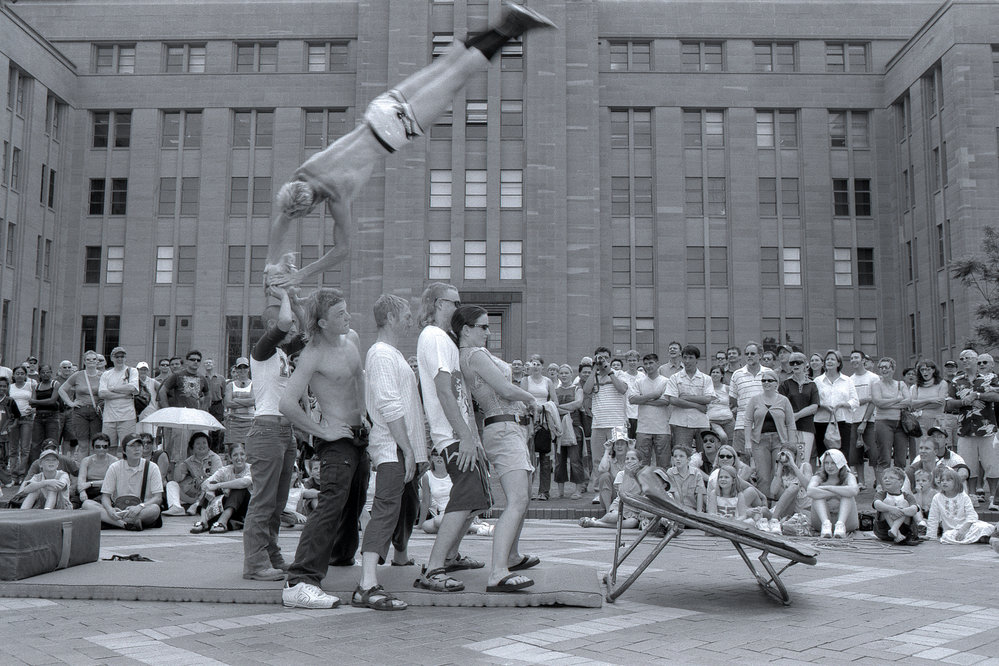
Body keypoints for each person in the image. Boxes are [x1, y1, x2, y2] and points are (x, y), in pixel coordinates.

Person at [265, 3, 557, 288]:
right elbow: (282, 220)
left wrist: (302, 274)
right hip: (379, 109)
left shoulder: (335, 196)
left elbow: (342, 250)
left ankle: (512, 27)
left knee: (457, 77)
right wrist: (270, 263)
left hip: (394, 129)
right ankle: (504, 21)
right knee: (447, 63)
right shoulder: (303, 172)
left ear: (310, 207)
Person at [280, 288, 370, 610]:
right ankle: (300, 580)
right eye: (340, 315)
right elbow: (287, 403)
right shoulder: (313, 354)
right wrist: (323, 431)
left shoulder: (353, 339)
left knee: (354, 500)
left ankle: (341, 555)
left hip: (360, 434)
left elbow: (359, 380)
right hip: (336, 440)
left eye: (347, 311)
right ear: (321, 322)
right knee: (331, 503)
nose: (348, 318)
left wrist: (368, 415)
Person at [457, 304, 543, 593]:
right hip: (503, 427)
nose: (488, 331)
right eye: (482, 326)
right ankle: (498, 571)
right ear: (466, 329)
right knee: (518, 499)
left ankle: (512, 557)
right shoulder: (474, 354)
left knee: (523, 497)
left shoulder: (470, 354)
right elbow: (505, 391)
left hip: (506, 427)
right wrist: (534, 399)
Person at [414, 282, 491, 594]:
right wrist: (464, 436)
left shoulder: (445, 339)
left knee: (478, 499)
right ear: (436, 304)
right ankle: (433, 568)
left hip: (461, 432)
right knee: (465, 497)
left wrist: (473, 435)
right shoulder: (432, 336)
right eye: (454, 302)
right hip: (451, 435)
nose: (459, 308)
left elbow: (460, 395)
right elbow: (444, 391)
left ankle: (451, 556)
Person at [354, 294, 427, 610]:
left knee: (409, 505)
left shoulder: (392, 354)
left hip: (406, 449)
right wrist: (407, 450)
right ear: (392, 317)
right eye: (407, 314)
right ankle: (366, 584)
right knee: (385, 509)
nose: (411, 319)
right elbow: (388, 404)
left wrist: (417, 452)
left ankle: (400, 554)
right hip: (392, 447)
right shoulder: (381, 354)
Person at [242, 286, 309, 582]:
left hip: (284, 432)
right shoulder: (262, 350)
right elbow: (285, 323)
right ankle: (255, 564)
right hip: (267, 432)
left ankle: (271, 554)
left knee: (277, 504)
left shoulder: (282, 351)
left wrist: (292, 298)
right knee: (263, 502)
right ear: (271, 325)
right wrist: (282, 296)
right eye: (287, 321)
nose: (292, 326)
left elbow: (307, 332)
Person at [944, 349, 999, 509]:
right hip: (965, 429)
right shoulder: (957, 381)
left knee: (992, 465)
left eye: (968, 358)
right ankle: (972, 496)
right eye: (962, 358)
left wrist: (977, 396)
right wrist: (965, 402)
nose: (965, 361)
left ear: (976, 359)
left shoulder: (990, 378)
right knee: (968, 466)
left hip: (986, 429)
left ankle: (994, 499)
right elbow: (947, 403)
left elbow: (997, 396)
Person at [82, 432, 163, 530]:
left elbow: (158, 498)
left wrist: (140, 506)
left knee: (155, 509)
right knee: (87, 504)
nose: (137, 449)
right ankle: (124, 524)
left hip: (141, 510)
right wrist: (110, 509)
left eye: (139, 445)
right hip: (118, 509)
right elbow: (105, 496)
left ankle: (111, 522)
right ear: (124, 450)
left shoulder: (152, 467)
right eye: (132, 446)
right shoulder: (115, 467)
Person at [746, 368, 797, 497]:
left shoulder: (784, 400)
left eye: (770, 380)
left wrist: (791, 445)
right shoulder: (754, 400)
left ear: (776, 383)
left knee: (778, 473)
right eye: (763, 380)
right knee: (762, 476)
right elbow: (748, 421)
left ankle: (778, 506)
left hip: (780, 441)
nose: (766, 383)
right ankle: (765, 505)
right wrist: (748, 442)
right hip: (760, 441)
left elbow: (790, 424)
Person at [583, 346, 628, 490]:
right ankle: (599, 489)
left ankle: (620, 487)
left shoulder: (620, 374)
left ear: (609, 358)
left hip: (617, 423)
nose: (602, 360)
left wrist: (610, 371)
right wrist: (594, 369)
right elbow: (586, 390)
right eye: (599, 358)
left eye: (605, 358)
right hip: (598, 424)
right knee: (598, 459)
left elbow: (622, 389)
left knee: (619, 457)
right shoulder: (594, 375)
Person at [157, 350, 211, 463]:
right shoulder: (177, 376)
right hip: (180, 417)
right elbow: (162, 391)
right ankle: (175, 476)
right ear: (187, 361)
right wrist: (168, 410)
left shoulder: (202, 378)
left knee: (197, 449)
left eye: (198, 360)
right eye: (192, 359)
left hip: (196, 417)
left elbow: (208, 395)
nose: (195, 362)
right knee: (178, 451)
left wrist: (203, 410)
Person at [190, 442, 253, 534]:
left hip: (246, 507)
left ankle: (222, 522)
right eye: (235, 455)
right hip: (228, 506)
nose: (239, 458)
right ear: (230, 458)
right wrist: (211, 489)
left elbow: (244, 482)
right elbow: (206, 483)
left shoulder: (251, 469)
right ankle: (203, 521)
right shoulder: (225, 470)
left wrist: (221, 485)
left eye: (242, 454)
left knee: (238, 488)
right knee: (211, 486)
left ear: (246, 456)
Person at [664, 345, 714, 453]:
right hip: (681, 423)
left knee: (705, 455)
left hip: (701, 422)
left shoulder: (706, 379)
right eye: (685, 358)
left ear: (697, 359)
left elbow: (708, 399)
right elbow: (673, 400)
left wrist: (686, 397)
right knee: (682, 454)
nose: (687, 361)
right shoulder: (675, 378)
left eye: (690, 358)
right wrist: (697, 405)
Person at [925, 467, 995, 544]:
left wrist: (964, 529)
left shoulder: (963, 496)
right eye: (942, 480)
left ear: (956, 482)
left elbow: (972, 515)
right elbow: (933, 517)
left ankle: (982, 538)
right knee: (946, 536)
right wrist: (931, 536)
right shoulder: (937, 498)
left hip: (967, 527)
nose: (944, 482)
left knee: (984, 527)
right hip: (951, 530)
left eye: (948, 480)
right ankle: (979, 539)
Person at [871, 357, 911, 488]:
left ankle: (900, 486)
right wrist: (897, 399)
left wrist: (889, 403)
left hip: (901, 424)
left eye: (886, 367)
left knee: (901, 458)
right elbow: (878, 403)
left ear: (893, 369)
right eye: (881, 367)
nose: (883, 370)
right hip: (883, 423)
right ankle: (882, 486)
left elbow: (908, 401)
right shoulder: (876, 384)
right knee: (885, 458)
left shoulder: (901, 384)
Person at [521, 354, 557, 500]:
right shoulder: (525, 380)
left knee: (545, 458)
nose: (535, 366)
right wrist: (531, 408)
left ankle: (544, 491)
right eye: (533, 364)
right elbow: (522, 399)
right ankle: (527, 490)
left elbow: (554, 401)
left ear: (542, 367)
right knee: (529, 457)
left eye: (538, 364)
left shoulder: (548, 381)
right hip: (529, 420)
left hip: (544, 421)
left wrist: (544, 407)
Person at [579, 447, 642, 529]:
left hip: (634, 509)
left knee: (632, 523)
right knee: (615, 516)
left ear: (640, 463)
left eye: (633, 459)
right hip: (621, 505)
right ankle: (598, 521)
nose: (629, 461)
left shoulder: (643, 476)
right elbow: (623, 494)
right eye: (627, 459)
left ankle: (597, 523)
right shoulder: (621, 474)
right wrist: (627, 474)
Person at [813, 350, 858, 463]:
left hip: (842, 421)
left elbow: (855, 401)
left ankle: (842, 478)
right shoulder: (817, 381)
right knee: (823, 454)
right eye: (827, 359)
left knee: (842, 454)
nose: (829, 361)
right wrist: (823, 406)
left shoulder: (847, 380)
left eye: (833, 359)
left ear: (839, 363)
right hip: (821, 421)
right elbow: (813, 401)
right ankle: (825, 479)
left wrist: (843, 404)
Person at [630, 353, 671, 468]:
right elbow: (632, 400)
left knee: (663, 464)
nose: (648, 366)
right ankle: (643, 486)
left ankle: (663, 486)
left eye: (651, 363)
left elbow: (666, 401)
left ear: (657, 364)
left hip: (662, 429)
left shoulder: (666, 381)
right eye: (646, 364)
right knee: (642, 464)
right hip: (643, 428)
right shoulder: (639, 381)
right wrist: (654, 395)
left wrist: (643, 400)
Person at [807, 449, 859, 538]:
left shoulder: (849, 476)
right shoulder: (818, 477)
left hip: (846, 522)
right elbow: (810, 491)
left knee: (847, 495)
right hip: (822, 521)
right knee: (817, 496)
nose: (829, 466)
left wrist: (828, 488)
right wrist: (837, 492)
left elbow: (854, 490)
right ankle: (826, 524)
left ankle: (840, 525)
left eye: (833, 463)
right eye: (826, 463)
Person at [728, 341, 769, 456]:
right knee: (742, 464)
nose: (749, 356)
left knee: (763, 462)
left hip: (764, 425)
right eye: (747, 354)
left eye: (752, 353)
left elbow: (773, 398)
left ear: (760, 355)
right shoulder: (737, 374)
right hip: (742, 424)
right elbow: (733, 400)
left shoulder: (769, 373)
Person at [166, 432, 223, 513]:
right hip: (192, 494)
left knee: (209, 483)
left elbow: (216, 478)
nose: (201, 446)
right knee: (171, 484)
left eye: (204, 443)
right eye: (198, 443)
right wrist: (178, 463)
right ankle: (176, 507)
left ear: (208, 445)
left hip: (208, 494)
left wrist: (201, 480)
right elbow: (178, 479)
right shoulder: (188, 461)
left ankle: (197, 504)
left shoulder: (215, 458)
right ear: (193, 446)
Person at [97, 347, 139, 452]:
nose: (119, 359)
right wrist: (123, 395)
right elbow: (102, 393)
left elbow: (132, 388)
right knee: (109, 447)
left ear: (125, 358)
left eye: (122, 356)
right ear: (112, 358)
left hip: (127, 416)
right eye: (117, 357)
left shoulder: (132, 371)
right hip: (109, 417)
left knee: (129, 446)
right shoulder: (106, 374)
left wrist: (113, 389)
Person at [779, 352, 819, 464]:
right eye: (792, 363)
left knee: (803, 459)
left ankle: (803, 481)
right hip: (789, 427)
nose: (795, 365)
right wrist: (791, 418)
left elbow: (814, 407)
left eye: (799, 362)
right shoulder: (785, 384)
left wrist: (797, 415)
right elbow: (781, 405)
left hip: (806, 427)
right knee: (789, 458)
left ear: (806, 364)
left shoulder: (812, 384)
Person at [554, 363, 585, 500]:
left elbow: (578, 404)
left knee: (575, 460)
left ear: (571, 374)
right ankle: (560, 491)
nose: (564, 375)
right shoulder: (555, 390)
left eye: (567, 373)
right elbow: (551, 408)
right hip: (559, 429)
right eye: (562, 373)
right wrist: (568, 408)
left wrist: (559, 407)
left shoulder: (578, 389)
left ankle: (578, 489)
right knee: (559, 460)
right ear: (558, 375)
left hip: (574, 428)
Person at [847, 350, 876, 486]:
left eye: (856, 357)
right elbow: (850, 402)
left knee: (874, 453)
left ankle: (879, 482)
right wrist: (864, 399)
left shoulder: (873, 378)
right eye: (852, 358)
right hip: (853, 420)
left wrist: (864, 421)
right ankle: (861, 482)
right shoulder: (849, 380)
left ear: (863, 360)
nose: (854, 360)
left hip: (870, 421)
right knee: (855, 454)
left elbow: (874, 400)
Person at [872, 466, 920, 544]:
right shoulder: (881, 494)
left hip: (905, 531)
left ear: (900, 482)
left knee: (904, 503)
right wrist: (891, 509)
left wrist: (901, 511)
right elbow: (877, 504)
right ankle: (896, 532)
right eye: (885, 478)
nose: (887, 480)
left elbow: (914, 510)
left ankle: (894, 529)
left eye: (891, 478)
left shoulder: (907, 496)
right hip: (884, 530)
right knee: (887, 501)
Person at [910, 359, 949, 451]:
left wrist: (921, 406)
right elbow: (912, 404)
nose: (925, 372)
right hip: (921, 421)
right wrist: (930, 400)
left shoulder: (942, 383)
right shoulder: (916, 386)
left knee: (938, 448)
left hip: (937, 420)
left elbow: (939, 403)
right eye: (922, 370)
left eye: (927, 369)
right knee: (922, 448)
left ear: (933, 370)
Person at [28, 364, 62, 465]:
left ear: (51, 372)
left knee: (52, 443)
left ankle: (54, 466)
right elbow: (31, 403)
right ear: (40, 374)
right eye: (43, 372)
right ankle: (35, 468)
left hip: (52, 417)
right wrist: (44, 402)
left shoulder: (55, 384)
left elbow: (52, 401)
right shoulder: (36, 386)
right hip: (38, 417)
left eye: (48, 372)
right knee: (35, 445)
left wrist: (37, 402)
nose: (45, 374)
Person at [770, 445, 812, 524]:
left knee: (794, 487)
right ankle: (773, 520)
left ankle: (774, 519)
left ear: (795, 456)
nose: (785, 457)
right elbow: (773, 491)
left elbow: (808, 487)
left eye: (788, 454)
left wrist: (793, 465)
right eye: (783, 454)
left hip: (804, 509)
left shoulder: (805, 466)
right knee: (763, 511)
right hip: (790, 508)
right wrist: (779, 468)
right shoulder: (783, 471)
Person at [9, 365, 36, 483]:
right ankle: (12, 474)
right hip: (13, 420)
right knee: (13, 448)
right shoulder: (10, 387)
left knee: (25, 448)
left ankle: (22, 474)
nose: (19, 375)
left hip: (27, 418)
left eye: (22, 373)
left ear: (26, 375)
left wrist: (33, 409)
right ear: (13, 375)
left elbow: (35, 402)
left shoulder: (31, 386)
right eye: (17, 373)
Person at [594, 428, 630, 514]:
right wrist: (607, 450)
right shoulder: (609, 459)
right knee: (604, 475)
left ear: (626, 446)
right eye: (617, 444)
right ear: (613, 447)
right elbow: (602, 469)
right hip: (611, 497)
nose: (619, 446)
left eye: (622, 444)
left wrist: (631, 449)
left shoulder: (630, 459)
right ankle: (608, 511)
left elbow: (636, 472)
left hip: (628, 496)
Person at [77, 432, 118, 504]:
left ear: (108, 448)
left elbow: (112, 481)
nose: (101, 449)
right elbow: (81, 480)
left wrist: (91, 483)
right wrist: (82, 492)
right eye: (98, 446)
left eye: (104, 446)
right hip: (87, 489)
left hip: (105, 490)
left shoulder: (114, 461)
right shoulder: (86, 461)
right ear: (93, 447)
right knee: (73, 502)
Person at [663, 444, 706, 512]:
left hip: (693, 509)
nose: (677, 459)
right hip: (677, 508)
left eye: (681, 456)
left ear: (688, 459)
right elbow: (674, 493)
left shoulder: (696, 473)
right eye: (675, 456)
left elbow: (699, 494)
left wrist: (699, 514)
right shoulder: (670, 472)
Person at [224, 357, 254, 450]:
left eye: (244, 367)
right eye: (239, 367)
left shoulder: (253, 384)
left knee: (248, 450)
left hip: (249, 423)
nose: (242, 370)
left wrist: (236, 399)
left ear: (248, 369)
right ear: (236, 369)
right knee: (233, 449)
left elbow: (253, 401)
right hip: (233, 422)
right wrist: (247, 402)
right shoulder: (230, 385)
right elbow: (228, 403)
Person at [0, 376, 22, 487]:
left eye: (4, 386)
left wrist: (10, 427)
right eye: (0, 386)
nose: (2, 388)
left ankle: (5, 480)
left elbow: (17, 417)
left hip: (4, 436)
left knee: (4, 458)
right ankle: (7, 480)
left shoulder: (10, 401)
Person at [706, 365, 733, 444]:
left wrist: (730, 410)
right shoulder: (707, 389)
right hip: (713, 421)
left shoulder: (727, 388)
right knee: (723, 437)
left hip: (729, 420)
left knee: (731, 442)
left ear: (722, 375)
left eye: (717, 372)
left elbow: (735, 402)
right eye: (713, 372)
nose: (715, 374)